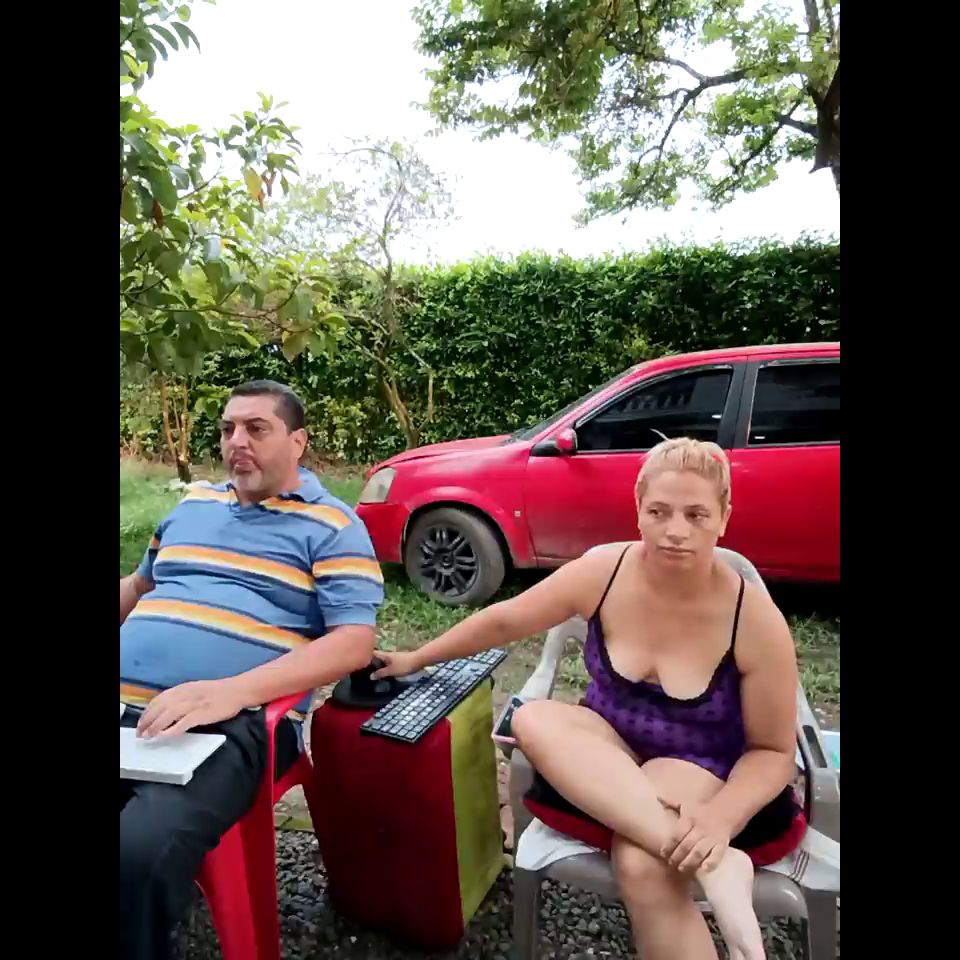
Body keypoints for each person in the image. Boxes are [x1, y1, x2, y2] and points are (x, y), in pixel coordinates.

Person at [373, 437, 800, 960]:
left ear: (723, 518)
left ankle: (708, 857)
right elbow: (506, 620)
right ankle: (717, 866)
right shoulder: (606, 571)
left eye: (696, 515)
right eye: (659, 512)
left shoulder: (752, 618)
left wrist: (721, 821)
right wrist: (416, 658)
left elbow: (773, 752)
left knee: (642, 864)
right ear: (638, 509)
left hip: (699, 766)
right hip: (606, 751)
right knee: (532, 718)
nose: (675, 531)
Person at [120, 380, 384, 960]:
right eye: (227, 429)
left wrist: (231, 693)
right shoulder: (193, 505)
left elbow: (353, 643)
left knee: (138, 851)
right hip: (127, 711)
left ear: (298, 441)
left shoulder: (332, 526)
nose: (236, 441)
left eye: (256, 428)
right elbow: (138, 587)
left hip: (230, 726)